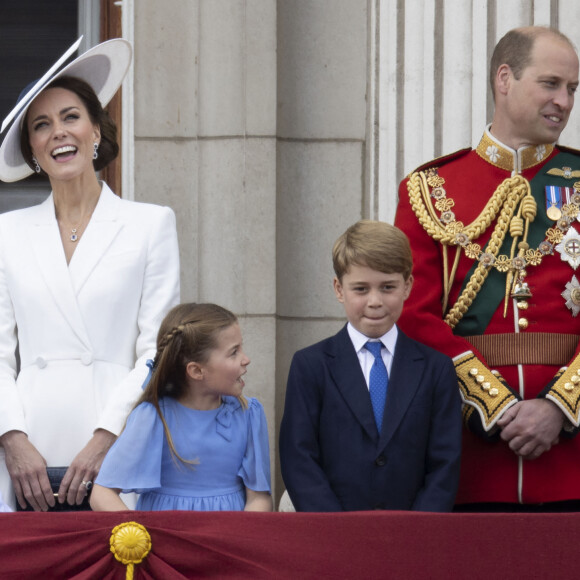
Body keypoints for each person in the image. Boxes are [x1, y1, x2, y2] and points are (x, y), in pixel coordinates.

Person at [394, 26, 580, 511]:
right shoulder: (431, 187)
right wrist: (493, 404)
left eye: (572, 90)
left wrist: (560, 406)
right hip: (468, 457)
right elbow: (411, 315)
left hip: (572, 464)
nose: (563, 101)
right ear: (504, 78)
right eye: (550, 83)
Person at [0, 38, 180, 511]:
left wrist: (107, 436)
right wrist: (12, 439)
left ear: (96, 131)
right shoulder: (7, 232)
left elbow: (156, 350)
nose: (58, 132)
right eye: (42, 125)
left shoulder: (150, 223)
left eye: (71, 117)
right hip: (26, 459)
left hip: (116, 453)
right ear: (34, 151)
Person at [279, 220, 462, 512]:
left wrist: (418, 529)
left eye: (387, 287)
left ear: (408, 286)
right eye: (361, 289)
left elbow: (445, 461)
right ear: (339, 289)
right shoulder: (310, 365)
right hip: (333, 535)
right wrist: (336, 529)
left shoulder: (435, 368)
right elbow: (298, 456)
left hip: (412, 536)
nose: (375, 301)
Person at [90, 303, 272, 512]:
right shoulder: (153, 417)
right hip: (165, 540)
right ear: (196, 370)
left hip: (225, 538)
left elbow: (259, 498)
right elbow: (102, 493)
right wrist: (137, 536)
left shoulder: (249, 414)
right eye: (234, 352)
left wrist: (236, 540)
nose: (246, 359)